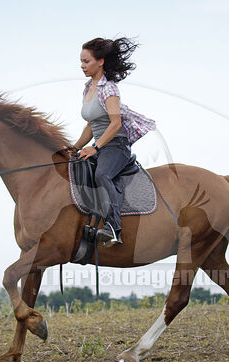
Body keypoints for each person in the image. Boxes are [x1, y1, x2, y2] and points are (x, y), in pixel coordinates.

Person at [75, 37, 156, 247]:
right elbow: (92, 125)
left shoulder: (109, 89)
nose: (82, 65)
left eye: (86, 61)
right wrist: (73, 148)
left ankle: (112, 227)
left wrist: (94, 147)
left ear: (100, 62)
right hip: (99, 145)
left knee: (102, 174)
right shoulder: (88, 88)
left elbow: (115, 123)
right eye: (81, 61)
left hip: (115, 146)